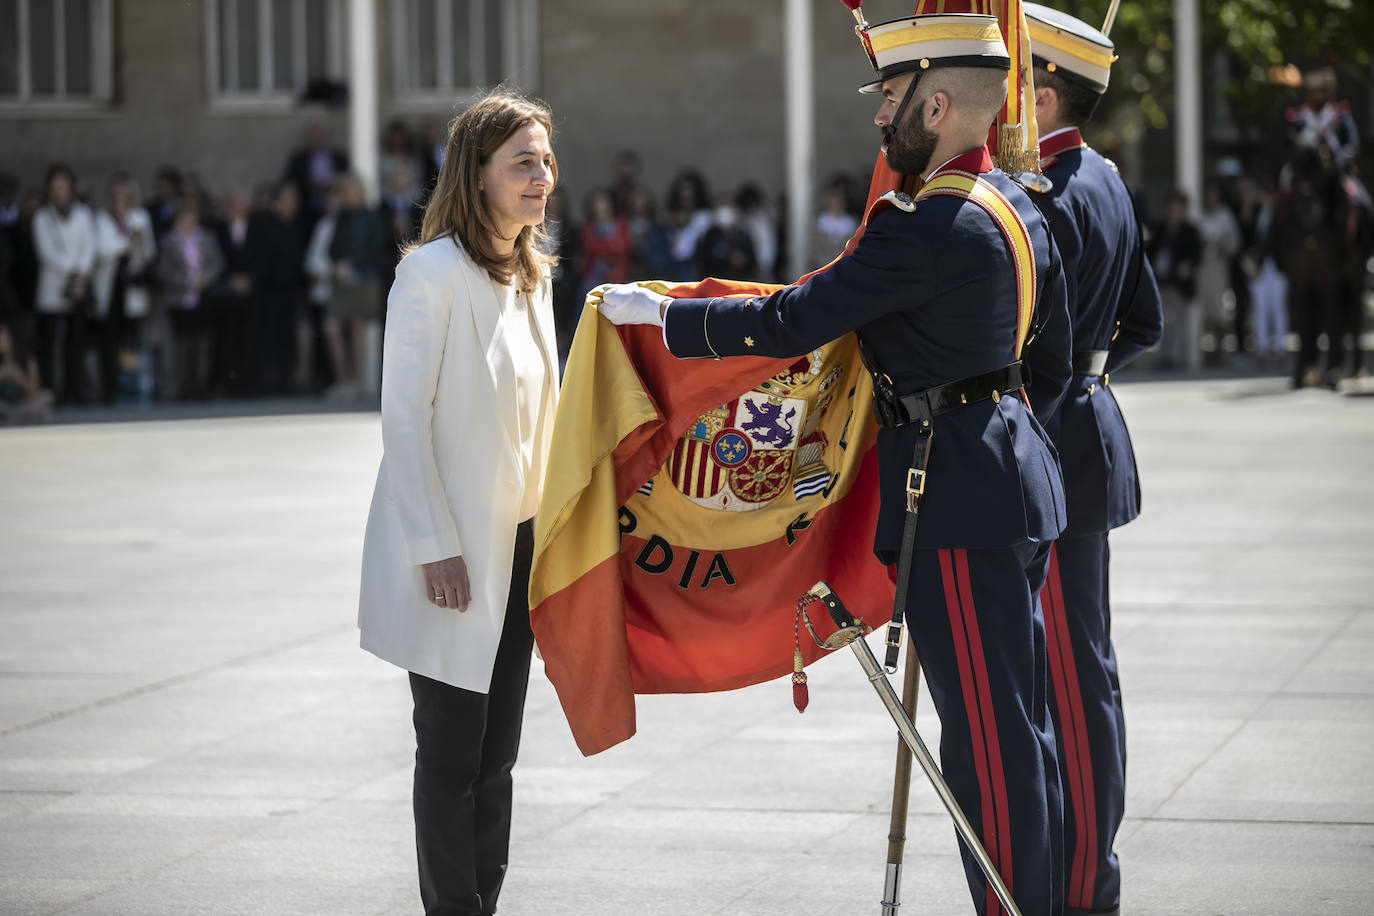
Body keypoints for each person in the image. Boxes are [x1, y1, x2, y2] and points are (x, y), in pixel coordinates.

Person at [598, 13, 1071, 916]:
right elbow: (1045, 361)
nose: (879, 116)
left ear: (936, 105)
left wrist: (658, 318)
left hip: (959, 495)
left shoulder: (926, 225)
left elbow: (792, 319)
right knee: (1022, 726)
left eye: (891, 99)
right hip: (1010, 475)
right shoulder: (1014, 205)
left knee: (988, 743)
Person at [357, 87, 559, 916]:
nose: (542, 175)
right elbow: (403, 420)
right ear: (477, 174)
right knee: (449, 756)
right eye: (523, 161)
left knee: (497, 760)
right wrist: (434, 544)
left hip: (517, 552)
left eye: (547, 159)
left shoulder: (533, 277)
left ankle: (485, 901)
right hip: (449, 556)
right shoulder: (429, 271)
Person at [1024, 7, 1165, 915]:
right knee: (1088, 666)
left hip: (1051, 443)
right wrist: (1089, 374)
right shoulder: (1106, 180)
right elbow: (1145, 321)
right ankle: (1088, 869)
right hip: (1090, 425)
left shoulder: (1048, 192)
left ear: (1041, 93)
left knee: (1071, 678)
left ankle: (1085, 881)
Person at [32, 164, 97, 404]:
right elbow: (46, 252)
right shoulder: (42, 216)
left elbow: (89, 247)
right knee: (49, 344)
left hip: (78, 289)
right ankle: (50, 390)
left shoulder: (83, 214)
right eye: (55, 187)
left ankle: (75, 390)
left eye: (63, 186)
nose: (59, 191)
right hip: (52, 287)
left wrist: (81, 276)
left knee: (75, 343)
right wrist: (73, 271)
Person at [92, 172, 158, 403]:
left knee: (131, 340)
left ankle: (132, 388)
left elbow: (150, 252)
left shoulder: (140, 216)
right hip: (109, 286)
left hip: (132, 285)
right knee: (107, 340)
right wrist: (128, 241)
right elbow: (102, 250)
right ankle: (108, 389)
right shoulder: (102, 218)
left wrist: (138, 241)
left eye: (123, 192)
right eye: (115, 193)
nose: (119, 197)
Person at [324, 175, 385, 401]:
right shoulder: (341, 218)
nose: (349, 195)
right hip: (342, 280)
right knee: (332, 327)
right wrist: (339, 263)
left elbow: (377, 248)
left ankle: (357, 383)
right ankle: (343, 379)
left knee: (357, 328)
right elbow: (332, 248)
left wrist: (354, 266)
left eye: (352, 190)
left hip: (364, 279)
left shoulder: (372, 217)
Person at [155, 199, 224, 400]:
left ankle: (201, 385)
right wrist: (186, 281)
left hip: (203, 297)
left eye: (191, 218)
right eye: (184, 219)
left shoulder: (206, 238)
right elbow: (163, 270)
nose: (188, 222)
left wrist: (205, 279)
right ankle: (182, 386)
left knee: (202, 343)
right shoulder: (169, 240)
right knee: (181, 345)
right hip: (178, 299)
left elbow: (217, 262)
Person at [1150, 191, 1201, 370]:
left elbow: (1196, 256)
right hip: (1162, 282)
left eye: (1179, 207)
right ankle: (1164, 357)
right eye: (1172, 207)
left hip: (1180, 285)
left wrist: (1186, 267)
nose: (1175, 211)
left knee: (1179, 323)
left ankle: (1177, 357)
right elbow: (1151, 252)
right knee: (1162, 322)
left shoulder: (1190, 230)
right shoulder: (1160, 229)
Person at [1196, 183, 1240, 363]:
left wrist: (1223, 246)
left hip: (1219, 267)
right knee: (1202, 310)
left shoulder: (1225, 216)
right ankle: (1206, 352)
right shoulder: (1199, 215)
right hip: (1202, 269)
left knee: (1220, 310)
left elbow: (1234, 242)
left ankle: (1221, 350)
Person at [0, 322, 53, 423]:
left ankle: (18, 414)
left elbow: (33, 391)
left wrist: (17, 375)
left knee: (47, 396)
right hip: (5, 403)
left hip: (24, 401)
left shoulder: (27, 360)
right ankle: (20, 414)